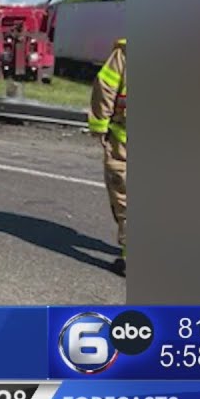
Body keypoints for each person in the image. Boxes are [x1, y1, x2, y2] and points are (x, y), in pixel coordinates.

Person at [88, 38, 127, 276]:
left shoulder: (126, 53)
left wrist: (99, 126)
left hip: (124, 141)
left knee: (126, 198)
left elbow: (105, 87)